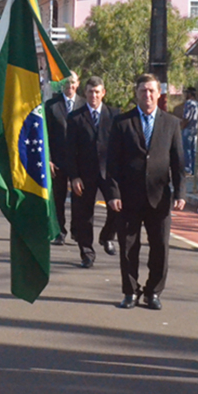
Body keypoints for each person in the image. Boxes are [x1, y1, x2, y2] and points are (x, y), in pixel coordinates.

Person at [106, 74, 186, 311]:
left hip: (159, 196)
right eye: (143, 91)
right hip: (128, 198)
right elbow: (112, 163)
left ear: (159, 94)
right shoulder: (122, 122)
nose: (147, 95)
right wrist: (113, 193)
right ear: (137, 94)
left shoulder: (171, 123)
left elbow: (178, 162)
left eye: (151, 91)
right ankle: (130, 291)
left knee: (160, 246)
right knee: (129, 247)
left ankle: (153, 292)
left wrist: (181, 192)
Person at [65, 76, 119, 268]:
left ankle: (107, 236)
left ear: (103, 93)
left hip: (109, 173)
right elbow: (69, 150)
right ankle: (87, 253)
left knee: (117, 208)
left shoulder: (114, 116)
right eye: (90, 92)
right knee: (83, 215)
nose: (93, 95)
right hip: (84, 174)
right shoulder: (75, 118)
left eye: (97, 92)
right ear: (85, 93)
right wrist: (74, 176)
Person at [43, 71, 84, 246]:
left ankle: (77, 230)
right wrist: (48, 159)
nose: (70, 86)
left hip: (79, 161)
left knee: (79, 197)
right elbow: (46, 134)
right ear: (61, 85)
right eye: (66, 83)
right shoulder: (52, 105)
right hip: (58, 160)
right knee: (58, 198)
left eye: (73, 82)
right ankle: (60, 231)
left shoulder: (84, 104)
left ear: (78, 83)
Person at [182, 87, 198, 176]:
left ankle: (187, 169)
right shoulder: (197, 104)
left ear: (190, 94)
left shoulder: (188, 103)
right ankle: (194, 169)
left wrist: (182, 126)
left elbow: (186, 117)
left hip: (188, 129)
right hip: (195, 129)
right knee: (193, 150)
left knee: (186, 149)